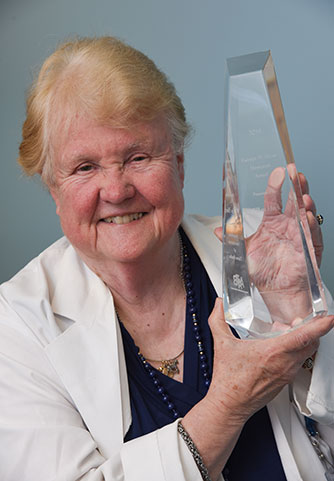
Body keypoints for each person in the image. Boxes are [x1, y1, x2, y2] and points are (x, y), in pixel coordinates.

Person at [0, 36, 333, 481]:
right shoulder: (16, 323)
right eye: (85, 168)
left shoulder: (258, 242)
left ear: (178, 163)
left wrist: (301, 320)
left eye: (138, 157)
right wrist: (226, 406)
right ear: (52, 189)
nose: (116, 191)